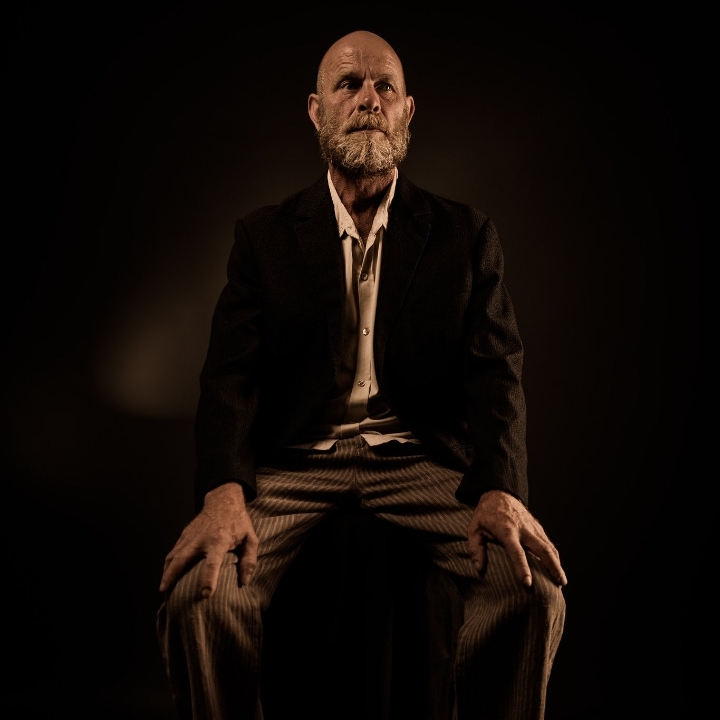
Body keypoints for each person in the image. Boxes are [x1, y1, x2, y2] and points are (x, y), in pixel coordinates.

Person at [157, 29, 567, 720]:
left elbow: (497, 375)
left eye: (385, 86)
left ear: (408, 110)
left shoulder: (466, 235)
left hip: (419, 465)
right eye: (349, 84)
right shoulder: (263, 237)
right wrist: (223, 491)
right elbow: (230, 377)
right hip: (296, 467)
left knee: (531, 592)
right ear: (317, 109)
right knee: (197, 596)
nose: (368, 99)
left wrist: (501, 488)